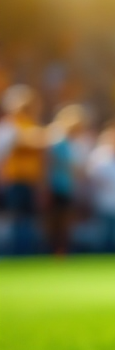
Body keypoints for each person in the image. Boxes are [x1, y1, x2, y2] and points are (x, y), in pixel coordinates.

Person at [0, 86, 46, 255]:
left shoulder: (31, 124)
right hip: (14, 180)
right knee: (15, 219)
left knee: (28, 219)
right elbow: (25, 141)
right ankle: (14, 254)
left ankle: (26, 253)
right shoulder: (11, 125)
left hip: (30, 180)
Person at [44, 105, 89, 256]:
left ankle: (61, 252)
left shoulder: (72, 143)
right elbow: (49, 165)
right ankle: (51, 251)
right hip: (54, 187)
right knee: (54, 222)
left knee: (65, 222)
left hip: (67, 188)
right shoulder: (57, 139)